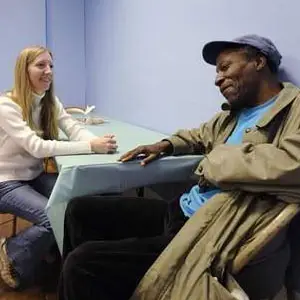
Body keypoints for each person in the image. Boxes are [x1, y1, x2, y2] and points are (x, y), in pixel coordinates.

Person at [58, 35, 300, 299]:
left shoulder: (294, 109)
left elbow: (293, 164)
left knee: (82, 265)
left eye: (225, 67)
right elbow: (199, 135)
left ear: (258, 61)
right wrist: (165, 145)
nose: (217, 79)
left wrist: (216, 161)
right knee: (79, 210)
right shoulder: (234, 114)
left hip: (211, 230)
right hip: (182, 210)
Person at [0, 46, 118, 290]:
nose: (48, 71)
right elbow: (36, 147)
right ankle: (12, 254)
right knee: (51, 216)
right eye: (40, 65)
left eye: (51, 66)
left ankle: (49, 250)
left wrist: (97, 143)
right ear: (24, 70)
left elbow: (73, 128)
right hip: (6, 181)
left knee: (75, 200)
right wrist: (90, 147)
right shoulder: (7, 106)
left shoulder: (49, 101)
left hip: (32, 176)